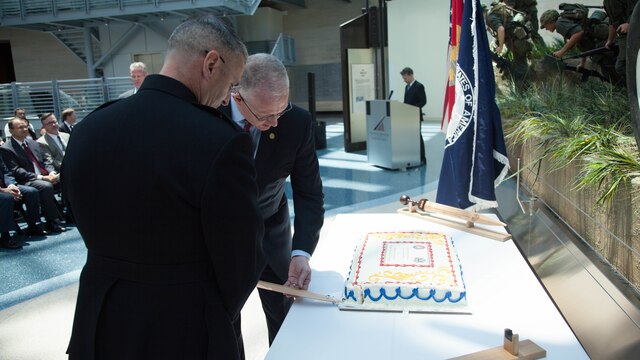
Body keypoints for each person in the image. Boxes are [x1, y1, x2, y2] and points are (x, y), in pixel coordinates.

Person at [62, 15, 264, 360]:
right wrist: (215, 313)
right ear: (211, 64)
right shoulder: (218, 142)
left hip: (100, 319)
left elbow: (77, 209)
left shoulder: (89, 129)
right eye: (231, 84)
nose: (226, 99)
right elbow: (242, 258)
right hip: (183, 326)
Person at [219, 53, 325, 353]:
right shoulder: (210, 112)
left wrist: (301, 251)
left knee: (285, 318)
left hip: (272, 233)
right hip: (220, 239)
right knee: (224, 323)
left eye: (282, 109)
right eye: (265, 115)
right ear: (237, 97)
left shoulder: (296, 122)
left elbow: (309, 192)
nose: (275, 121)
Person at [1, 118, 65, 234]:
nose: (25, 129)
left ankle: (71, 215)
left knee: (66, 179)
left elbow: (46, 160)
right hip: (26, 180)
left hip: (45, 176)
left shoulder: (33, 143)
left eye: (26, 127)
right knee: (45, 186)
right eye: (20, 127)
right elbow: (16, 171)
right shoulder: (6, 148)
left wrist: (51, 172)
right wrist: (42, 177)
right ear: (11, 131)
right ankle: (52, 221)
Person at [0, 155, 44, 247]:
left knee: (31, 192)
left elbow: (6, 173)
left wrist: (11, 185)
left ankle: (33, 225)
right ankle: (5, 236)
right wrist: (4, 190)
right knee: (6, 198)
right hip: (2, 191)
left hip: (6, 187)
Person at [400, 67, 427, 165]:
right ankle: (412, 156)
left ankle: (422, 158)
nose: (404, 80)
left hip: (415, 116)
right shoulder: (406, 87)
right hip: (408, 116)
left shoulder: (419, 86)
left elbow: (423, 101)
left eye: (405, 78)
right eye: (403, 78)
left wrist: (412, 108)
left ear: (410, 75)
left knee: (417, 137)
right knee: (410, 137)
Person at [604, 0, 638, 74]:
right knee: (621, 67)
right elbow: (612, 22)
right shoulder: (606, 2)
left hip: (636, 32)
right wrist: (610, 40)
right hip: (625, 37)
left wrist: (629, 23)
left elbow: (638, 8)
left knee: (628, 65)